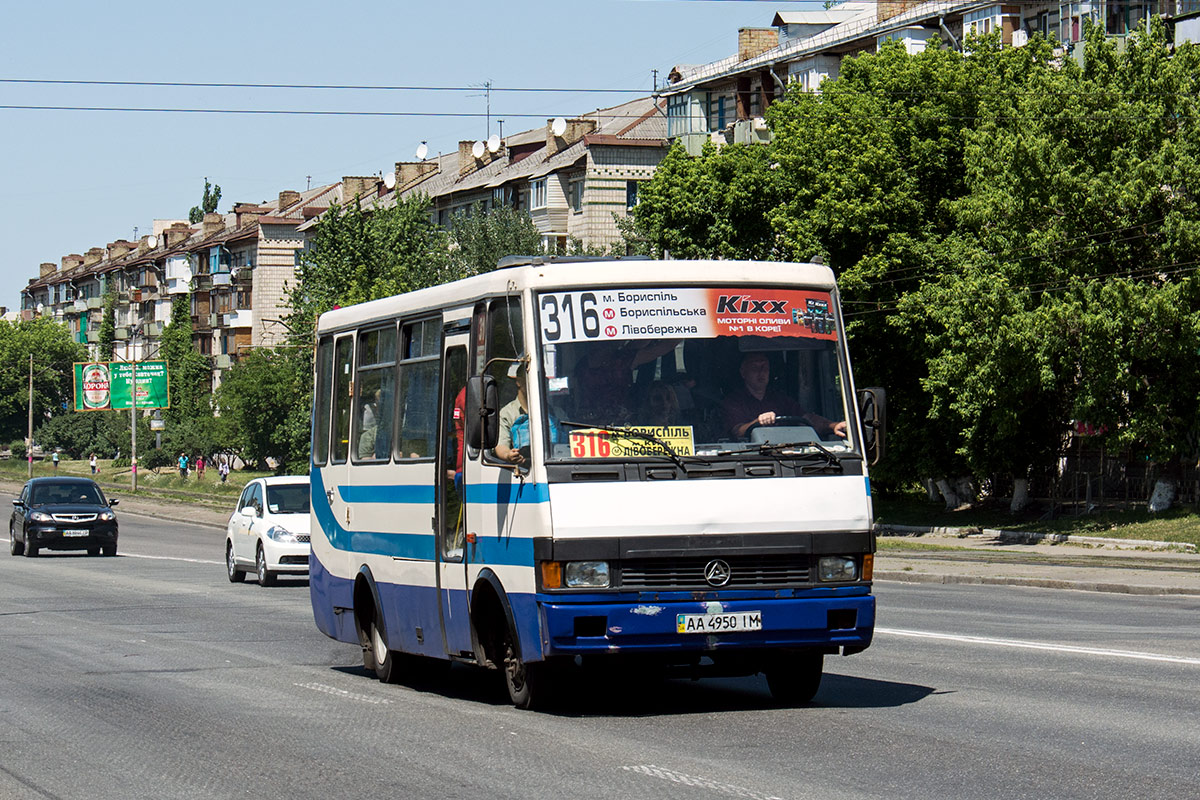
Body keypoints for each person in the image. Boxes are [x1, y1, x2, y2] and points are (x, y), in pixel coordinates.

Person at [722, 352, 847, 440]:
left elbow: (806, 419)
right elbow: (737, 431)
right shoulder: (734, 401)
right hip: (749, 458)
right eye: (755, 367)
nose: (762, 372)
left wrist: (833, 426)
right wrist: (757, 423)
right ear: (743, 372)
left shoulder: (780, 399)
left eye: (765, 367)